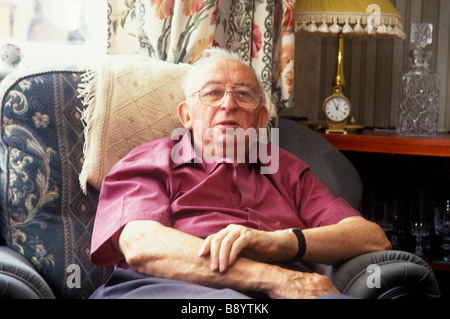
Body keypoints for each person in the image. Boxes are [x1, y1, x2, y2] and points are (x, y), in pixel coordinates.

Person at [89, 48, 391, 299]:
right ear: (186, 116)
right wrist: (274, 278)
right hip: (165, 289)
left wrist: (280, 242)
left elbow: (371, 238)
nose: (229, 104)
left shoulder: (285, 168)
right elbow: (142, 246)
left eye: (244, 95)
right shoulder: (152, 159)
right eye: (212, 93)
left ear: (260, 119)